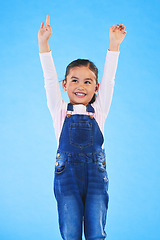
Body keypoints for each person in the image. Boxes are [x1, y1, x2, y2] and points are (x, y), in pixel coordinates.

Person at [38, 15, 126, 240]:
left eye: (88, 82)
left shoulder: (100, 109)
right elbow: (49, 79)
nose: (81, 86)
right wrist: (43, 43)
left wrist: (114, 44)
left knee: (96, 232)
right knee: (70, 231)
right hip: (66, 176)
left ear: (96, 87)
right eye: (74, 80)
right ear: (65, 84)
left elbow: (110, 79)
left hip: (96, 176)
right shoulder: (59, 109)